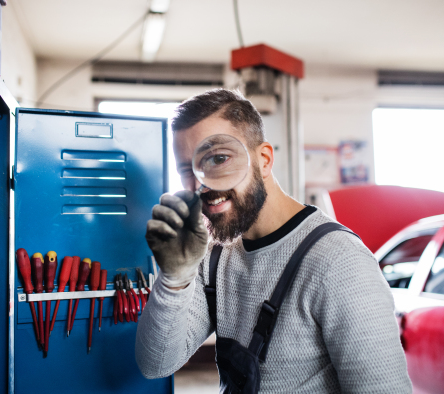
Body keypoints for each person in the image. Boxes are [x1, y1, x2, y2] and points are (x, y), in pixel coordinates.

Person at [136, 89, 412, 393]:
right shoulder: (213, 255)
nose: (202, 183)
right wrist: (175, 278)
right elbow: (156, 364)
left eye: (219, 158)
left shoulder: (340, 262)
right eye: (188, 170)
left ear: (264, 160)